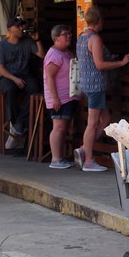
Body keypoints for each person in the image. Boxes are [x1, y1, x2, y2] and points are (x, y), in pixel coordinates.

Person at [75, 6, 129, 172]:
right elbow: (99, 65)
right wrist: (121, 63)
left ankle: (84, 149)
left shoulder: (81, 37)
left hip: (86, 83)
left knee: (105, 119)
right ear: (99, 21)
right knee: (92, 124)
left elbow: (90, 60)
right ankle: (89, 161)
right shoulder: (95, 38)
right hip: (95, 85)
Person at [0, 16, 45, 149]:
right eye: (18, 26)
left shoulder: (27, 41)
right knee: (10, 89)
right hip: (7, 76)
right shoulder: (2, 45)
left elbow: (41, 55)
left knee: (34, 89)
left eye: (22, 25)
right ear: (10, 29)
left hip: (25, 75)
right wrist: (14, 79)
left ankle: (18, 125)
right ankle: (16, 123)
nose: (21, 28)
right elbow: (0, 68)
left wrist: (37, 39)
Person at [43, 24, 78, 169]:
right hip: (60, 98)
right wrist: (55, 98)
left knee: (64, 128)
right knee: (58, 127)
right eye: (65, 34)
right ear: (56, 38)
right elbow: (49, 77)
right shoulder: (54, 55)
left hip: (69, 96)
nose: (69, 36)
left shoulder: (66, 53)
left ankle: (60, 157)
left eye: (69, 33)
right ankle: (56, 159)